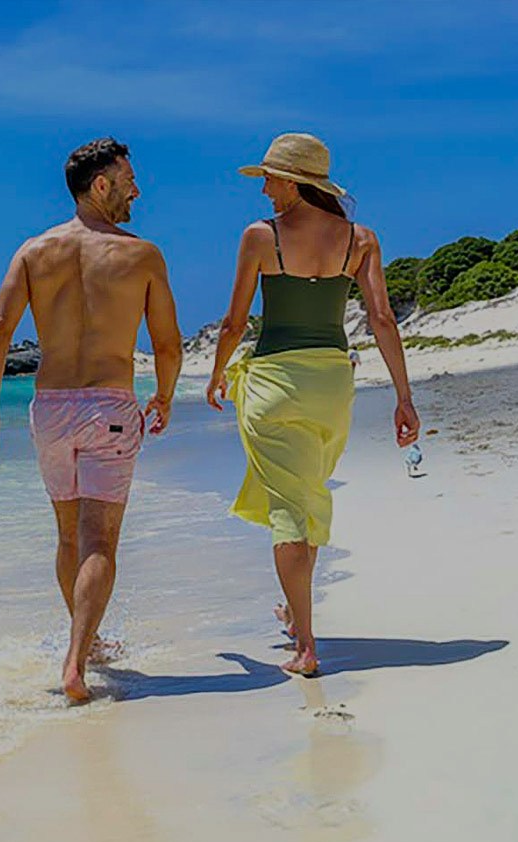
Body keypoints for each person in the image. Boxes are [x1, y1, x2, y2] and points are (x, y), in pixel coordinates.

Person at [0, 138, 183, 704]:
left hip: (51, 409)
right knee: (100, 540)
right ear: (101, 185)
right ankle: (76, 662)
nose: (137, 190)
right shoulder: (141, 255)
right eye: (129, 179)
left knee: (68, 534)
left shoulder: (33, 252)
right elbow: (166, 343)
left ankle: (84, 644)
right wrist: (163, 396)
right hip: (108, 408)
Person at [205, 133, 420, 677]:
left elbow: (234, 323)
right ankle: (295, 614)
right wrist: (403, 397)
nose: (265, 190)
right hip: (331, 385)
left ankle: (305, 647)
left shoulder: (262, 237)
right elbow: (382, 320)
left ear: (296, 182)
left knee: (287, 511)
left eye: (270, 179)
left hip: (275, 383)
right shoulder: (360, 238)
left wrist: (214, 375)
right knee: (305, 496)